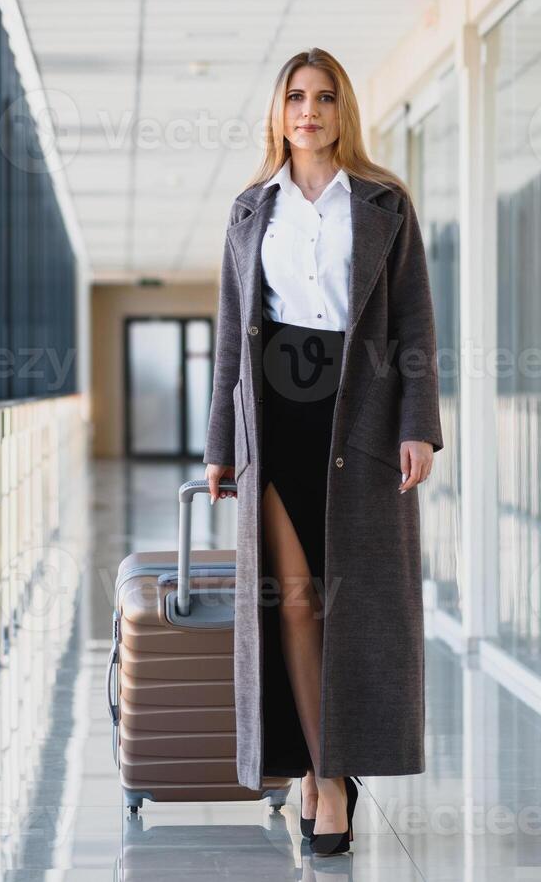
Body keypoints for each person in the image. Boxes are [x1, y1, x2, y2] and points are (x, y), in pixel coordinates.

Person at [201, 46, 443, 857]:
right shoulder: (247, 209)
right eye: (296, 97)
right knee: (295, 598)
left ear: (344, 112)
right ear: (279, 112)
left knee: (356, 602)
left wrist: (419, 423)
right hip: (272, 419)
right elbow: (231, 334)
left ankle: (327, 765)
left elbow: (413, 323)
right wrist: (217, 444)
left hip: (360, 416)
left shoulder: (383, 204)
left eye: (325, 98)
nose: (309, 111)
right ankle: (325, 776)